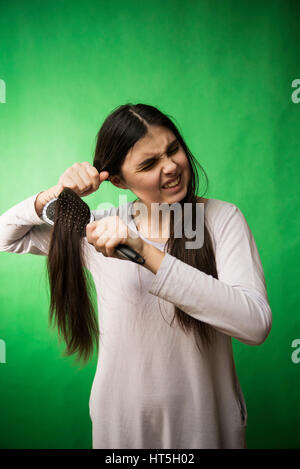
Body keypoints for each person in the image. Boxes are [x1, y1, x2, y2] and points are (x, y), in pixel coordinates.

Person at [0, 103, 272, 449]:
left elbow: (255, 324)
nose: (171, 167)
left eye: (173, 149)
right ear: (117, 179)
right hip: (122, 430)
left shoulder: (221, 219)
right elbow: (5, 234)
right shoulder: (97, 228)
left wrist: (142, 251)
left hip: (207, 427)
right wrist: (54, 195)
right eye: (149, 164)